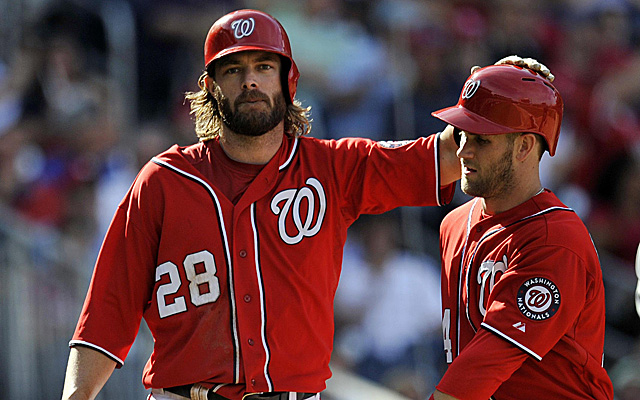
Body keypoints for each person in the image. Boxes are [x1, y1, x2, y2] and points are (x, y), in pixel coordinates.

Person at [59, 8, 547, 400]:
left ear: (288, 80)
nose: (250, 81)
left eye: (263, 67)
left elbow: (442, 157)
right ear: (210, 89)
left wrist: (498, 92)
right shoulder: (162, 182)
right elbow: (106, 314)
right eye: (233, 70)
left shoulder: (333, 168)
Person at [429, 62, 614, 399]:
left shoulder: (556, 239)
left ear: (526, 147)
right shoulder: (453, 224)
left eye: (481, 141)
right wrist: (496, 82)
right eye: (461, 135)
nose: (463, 151)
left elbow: (487, 364)